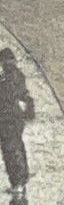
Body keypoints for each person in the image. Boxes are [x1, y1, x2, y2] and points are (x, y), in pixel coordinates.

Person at [0, 49, 36, 195]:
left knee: (10, 152)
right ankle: (23, 176)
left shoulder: (4, 80)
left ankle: (17, 184)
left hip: (6, 120)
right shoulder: (19, 75)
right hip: (17, 118)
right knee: (18, 147)